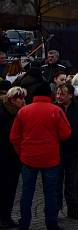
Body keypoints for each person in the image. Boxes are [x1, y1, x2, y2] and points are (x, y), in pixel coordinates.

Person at [10, 82, 71, 230]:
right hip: (50, 159)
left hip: (28, 158)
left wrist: (21, 152)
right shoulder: (56, 110)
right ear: (49, 95)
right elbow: (66, 134)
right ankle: (51, 223)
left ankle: (24, 223)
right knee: (50, 193)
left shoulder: (23, 111)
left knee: (26, 193)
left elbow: (14, 137)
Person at [55, 83, 78, 220]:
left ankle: (72, 209)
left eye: (62, 94)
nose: (59, 96)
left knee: (72, 181)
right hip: (58, 150)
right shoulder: (55, 107)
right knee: (56, 181)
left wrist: (73, 136)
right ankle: (55, 209)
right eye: (58, 94)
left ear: (71, 95)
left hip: (73, 151)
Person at [0, 87, 25, 228]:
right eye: (20, 99)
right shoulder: (4, 113)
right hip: (5, 155)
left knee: (11, 188)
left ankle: (6, 216)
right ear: (12, 99)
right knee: (5, 187)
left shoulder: (19, 112)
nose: (23, 101)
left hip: (13, 156)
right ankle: (4, 217)